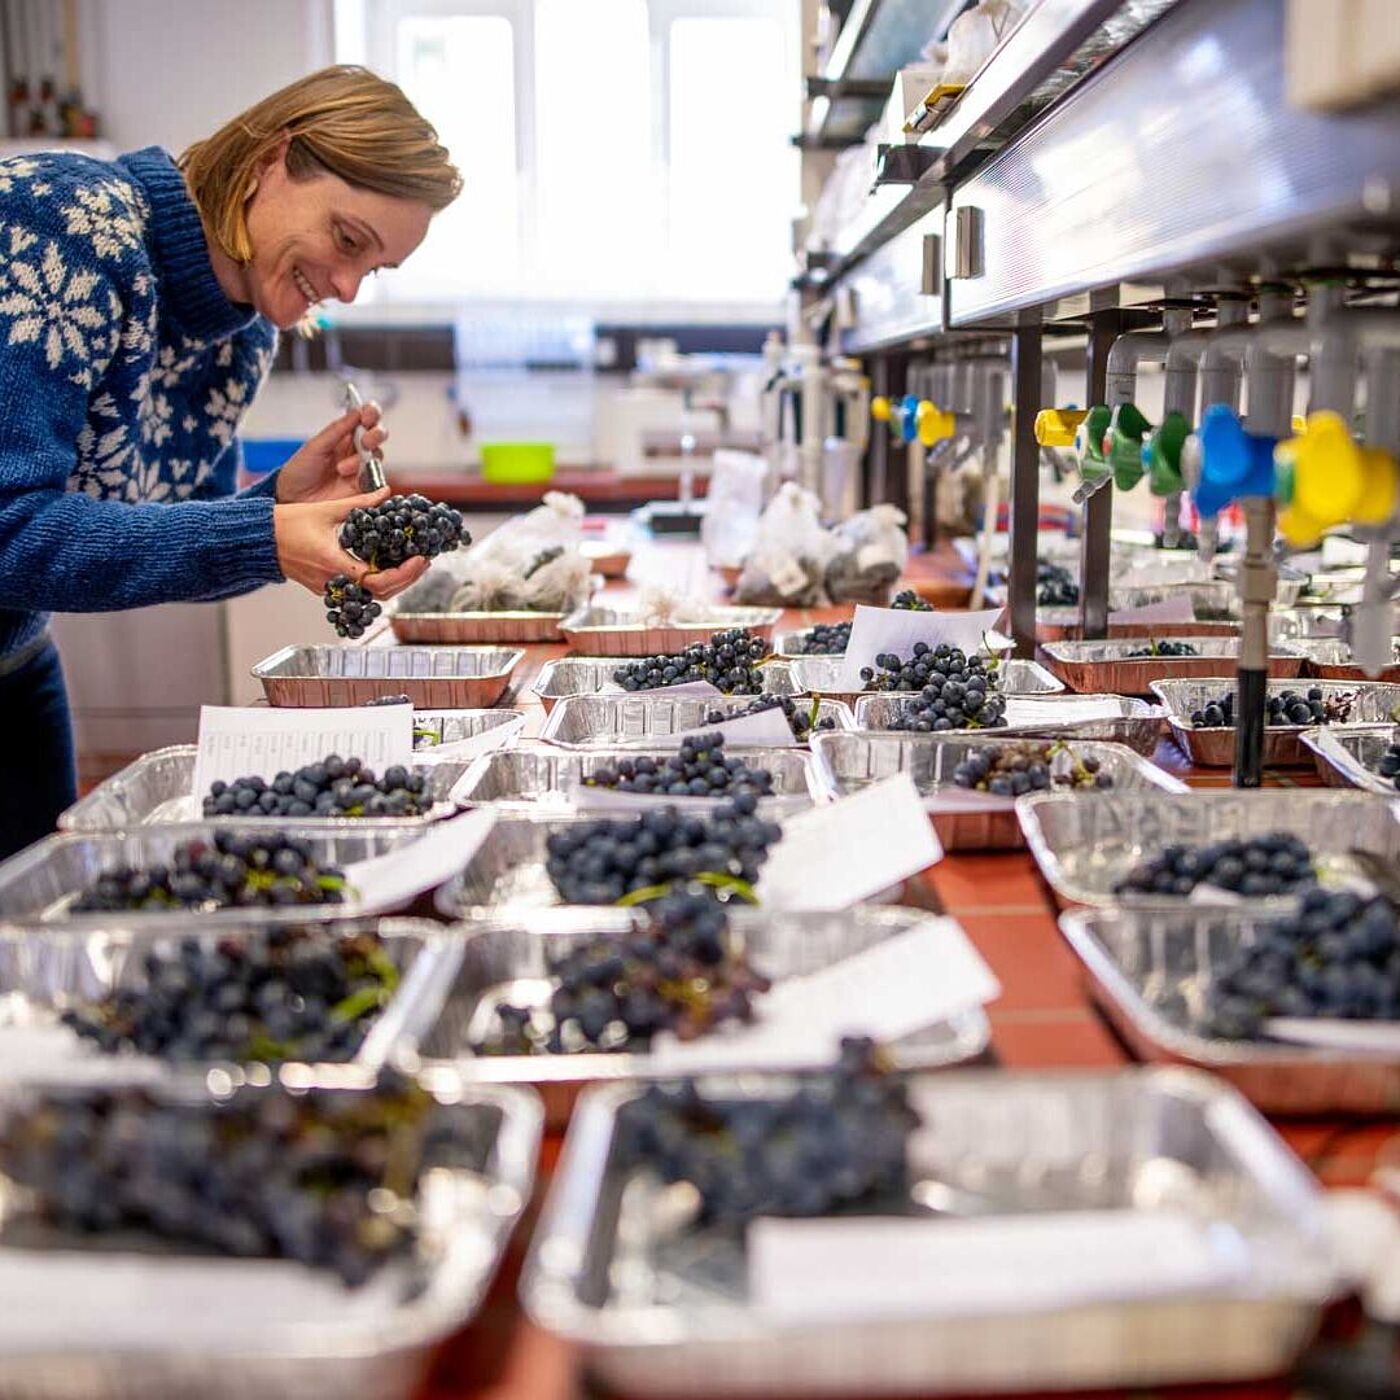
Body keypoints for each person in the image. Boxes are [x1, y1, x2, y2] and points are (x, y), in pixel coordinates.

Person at [0, 66, 461, 858]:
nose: (348, 288)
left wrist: (277, 505)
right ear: (269, 162)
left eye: (375, 269)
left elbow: (153, 539)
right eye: (348, 241)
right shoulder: (65, 226)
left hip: (16, 662)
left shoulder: (243, 335)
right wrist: (265, 535)